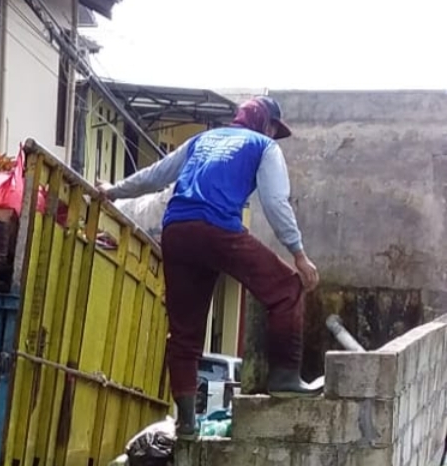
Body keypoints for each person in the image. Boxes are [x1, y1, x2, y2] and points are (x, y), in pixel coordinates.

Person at [98, 96, 320, 438]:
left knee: (185, 332)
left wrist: (113, 191)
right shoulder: (264, 147)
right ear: (267, 123)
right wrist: (299, 254)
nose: (274, 136)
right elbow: (276, 202)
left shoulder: (203, 139)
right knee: (287, 288)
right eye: (275, 129)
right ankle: (285, 378)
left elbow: (155, 176)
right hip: (218, 230)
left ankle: (186, 424)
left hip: (177, 232)